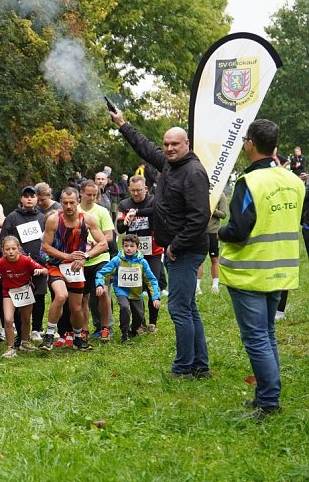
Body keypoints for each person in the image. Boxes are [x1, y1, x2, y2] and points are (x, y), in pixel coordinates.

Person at [112, 108, 212, 378]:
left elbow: (200, 217)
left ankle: (184, 367)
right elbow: (145, 147)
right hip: (177, 248)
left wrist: (175, 246)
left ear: (187, 144)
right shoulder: (170, 164)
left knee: (179, 308)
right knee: (188, 307)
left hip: (185, 251)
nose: (169, 148)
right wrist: (122, 124)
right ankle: (199, 365)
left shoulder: (193, 172)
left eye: (175, 144)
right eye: (166, 144)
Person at [219, 119, 305, 419]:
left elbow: (238, 230)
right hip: (280, 270)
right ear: (276, 146)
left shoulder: (249, 183)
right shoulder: (294, 181)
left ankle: (269, 402)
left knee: (256, 339)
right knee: (267, 334)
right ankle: (266, 395)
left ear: (250, 143)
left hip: (251, 272)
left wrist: (218, 232)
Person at [40, 188, 107, 352]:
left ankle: (77, 338)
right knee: (61, 295)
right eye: (65, 203)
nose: (69, 206)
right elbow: (46, 246)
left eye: (72, 202)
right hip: (56, 265)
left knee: (76, 307)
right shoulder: (54, 220)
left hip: (75, 268)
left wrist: (85, 257)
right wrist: (67, 256)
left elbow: (103, 243)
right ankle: (49, 335)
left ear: (78, 201)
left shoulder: (88, 219)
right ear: (60, 202)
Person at [0, 235, 47, 356]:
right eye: (7, 249)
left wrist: (40, 271)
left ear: (18, 248)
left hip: (25, 290)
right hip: (9, 292)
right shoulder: (1, 262)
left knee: (26, 318)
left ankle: (24, 342)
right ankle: (10, 348)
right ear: (3, 250)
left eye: (13, 248)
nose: (11, 252)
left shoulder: (26, 260)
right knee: (8, 319)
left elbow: (45, 270)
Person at [0, 186, 49, 343]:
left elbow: (48, 240)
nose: (29, 199)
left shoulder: (42, 218)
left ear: (37, 199)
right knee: (18, 298)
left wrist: (45, 261)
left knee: (39, 296)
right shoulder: (12, 217)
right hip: (17, 266)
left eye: (32, 196)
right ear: (21, 199)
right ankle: (20, 333)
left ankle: (36, 329)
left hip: (38, 264)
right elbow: (3, 241)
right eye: (26, 196)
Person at [116, 175, 164, 332]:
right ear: (129, 190)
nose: (136, 194)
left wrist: (136, 212)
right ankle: (140, 322)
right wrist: (127, 220)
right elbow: (120, 229)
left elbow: (157, 211)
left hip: (153, 251)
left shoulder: (154, 200)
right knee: (135, 286)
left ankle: (153, 323)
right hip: (132, 253)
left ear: (146, 189)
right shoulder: (124, 204)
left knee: (152, 284)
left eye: (139, 190)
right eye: (133, 191)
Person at [95, 234, 161, 343]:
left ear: (137, 247)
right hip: (122, 291)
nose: (129, 248)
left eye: (132, 246)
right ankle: (124, 333)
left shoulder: (142, 262)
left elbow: (151, 280)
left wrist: (155, 297)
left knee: (139, 316)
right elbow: (102, 273)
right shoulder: (117, 260)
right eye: (126, 246)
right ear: (122, 247)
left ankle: (133, 329)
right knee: (125, 308)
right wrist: (99, 284)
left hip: (136, 293)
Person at [79, 180, 116, 340]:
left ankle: (106, 327)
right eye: (88, 194)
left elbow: (109, 236)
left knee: (102, 292)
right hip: (80, 260)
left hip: (101, 257)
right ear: (81, 193)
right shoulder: (74, 210)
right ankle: (84, 329)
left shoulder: (102, 211)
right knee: (83, 297)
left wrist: (96, 242)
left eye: (94, 195)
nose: (92, 197)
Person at [197, 193, 227, 295]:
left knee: (214, 258)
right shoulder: (201, 191)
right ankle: (197, 286)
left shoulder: (221, 195)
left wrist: (212, 210)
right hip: (200, 231)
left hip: (213, 232)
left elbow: (224, 214)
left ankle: (215, 285)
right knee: (199, 258)